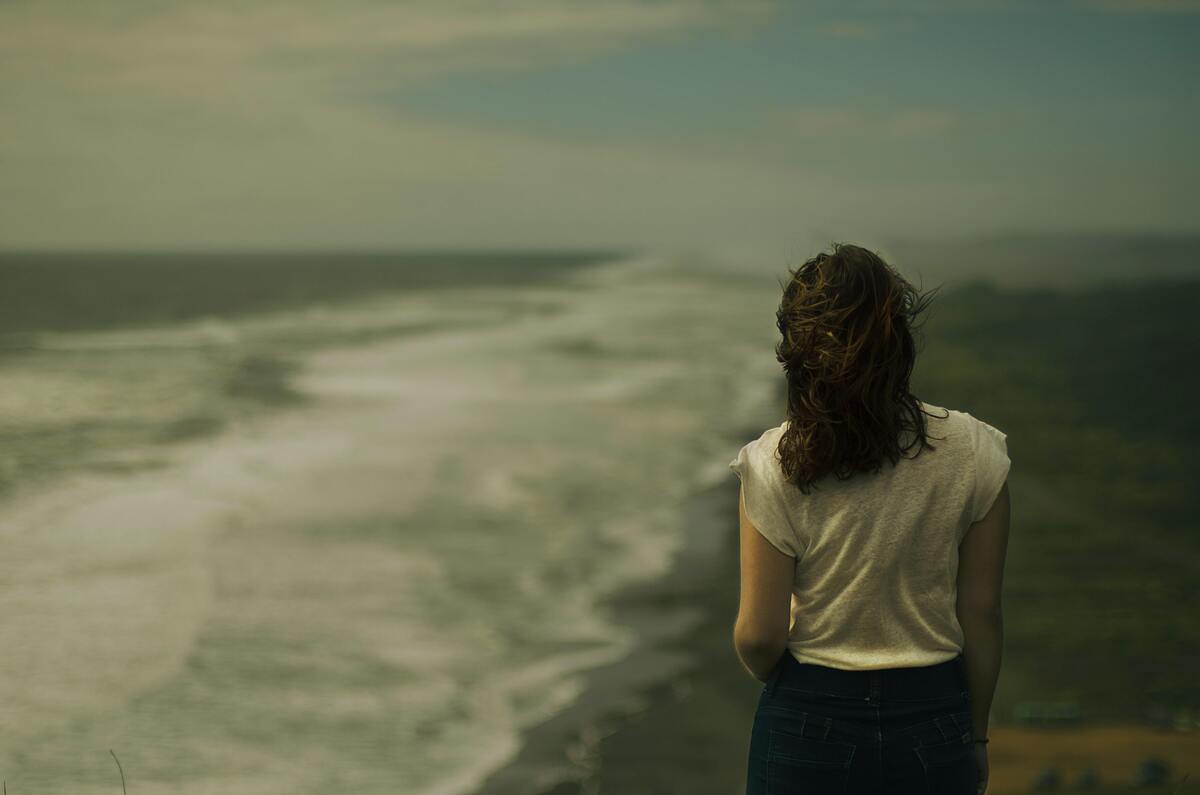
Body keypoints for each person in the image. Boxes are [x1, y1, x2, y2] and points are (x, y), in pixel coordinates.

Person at [730, 243, 1010, 795]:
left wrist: (797, 692)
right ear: (898, 341)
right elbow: (980, 615)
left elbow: (759, 637)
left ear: (798, 349)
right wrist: (974, 737)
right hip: (934, 717)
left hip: (808, 715)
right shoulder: (977, 450)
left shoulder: (771, 462)